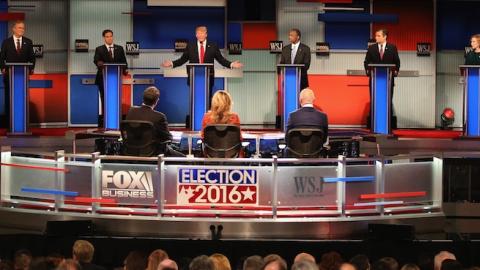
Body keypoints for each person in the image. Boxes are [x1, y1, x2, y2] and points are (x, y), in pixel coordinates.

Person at [162, 26, 243, 96]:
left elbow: (221, 59)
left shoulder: (213, 45)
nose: (200, 35)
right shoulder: (190, 46)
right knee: (194, 98)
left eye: (202, 33)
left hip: (208, 78)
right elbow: (182, 59)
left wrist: (231, 64)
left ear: (206, 35)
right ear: (196, 35)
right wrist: (172, 63)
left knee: (207, 98)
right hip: (193, 78)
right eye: (198, 33)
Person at [126, 86, 184, 157]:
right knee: (185, 158)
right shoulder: (159, 117)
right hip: (153, 153)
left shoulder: (131, 111)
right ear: (156, 101)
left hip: (131, 151)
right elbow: (168, 138)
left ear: (143, 98)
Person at [0, 20, 35, 129]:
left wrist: (31, 69)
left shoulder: (28, 42)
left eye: (23, 28)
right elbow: (2, 57)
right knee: (9, 99)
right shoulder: (6, 42)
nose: (22, 30)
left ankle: (22, 124)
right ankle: (9, 125)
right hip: (9, 76)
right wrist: (3, 68)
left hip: (23, 76)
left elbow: (32, 58)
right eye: (19, 28)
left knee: (23, 99)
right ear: (14, 29)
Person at [364, 28, 400, 129]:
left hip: (388, 80)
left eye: (378, 36)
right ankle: (374, 125)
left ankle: (387, 125)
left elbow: (397, 62)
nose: (376, 37)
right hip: (375, 80)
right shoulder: (371, 48)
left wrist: (395, 71)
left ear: (385, 37)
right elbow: (366, 62)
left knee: (388, 101)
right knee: (374, 101)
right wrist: (368, 71)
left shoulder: (392, 48)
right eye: (376, 36)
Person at [93, 29, 128, 127]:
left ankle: (115, 121)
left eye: (111, 36)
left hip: (115, 79)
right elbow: (96, 61)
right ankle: (106, 121)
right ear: (104, 38)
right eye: (107, 36)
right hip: (103, 79)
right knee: (105, 99)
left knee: (115, 99)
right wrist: (100, 63)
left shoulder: (119, 48)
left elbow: (124, 63)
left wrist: (125, 69)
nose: (109, 38)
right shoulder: (99, 49)